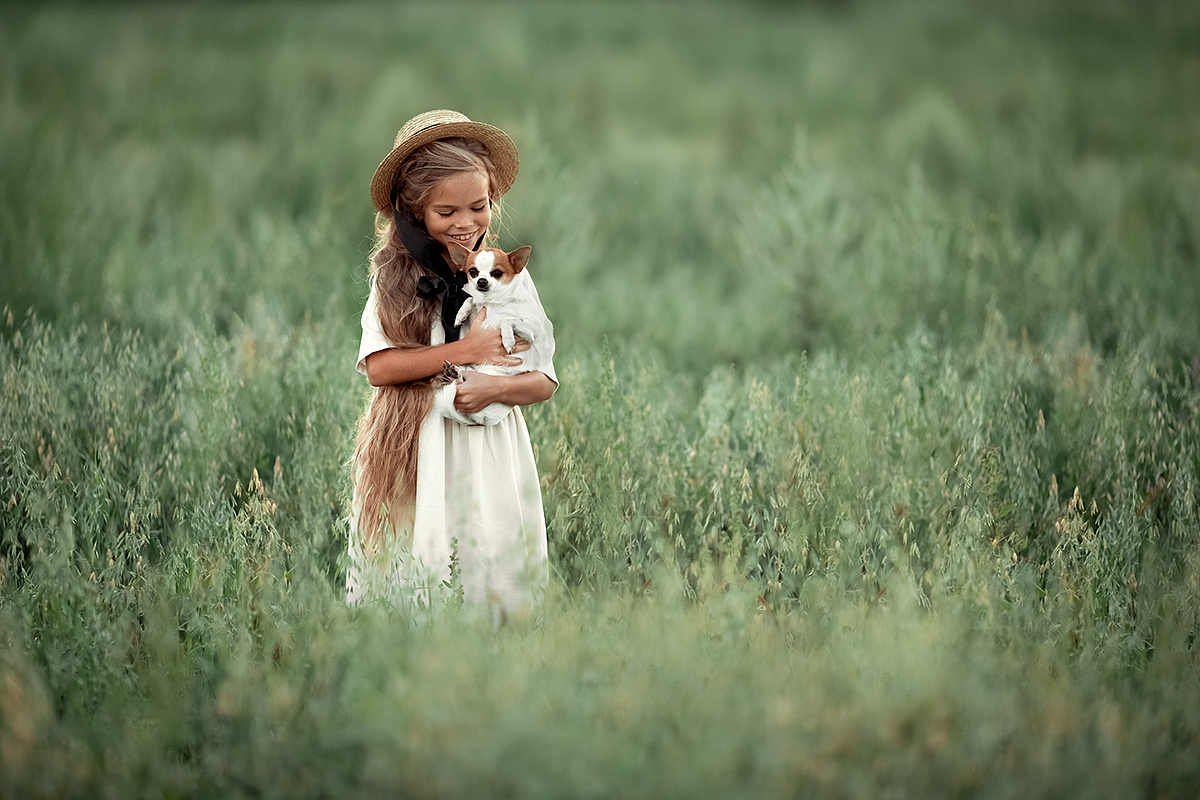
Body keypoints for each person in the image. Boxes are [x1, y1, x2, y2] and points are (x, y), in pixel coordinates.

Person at [347, 110, 557, 620]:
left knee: (490, 561)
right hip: (417, 444)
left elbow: (545, 379)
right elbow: (378, 369)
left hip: (490, 449)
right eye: (446, 213)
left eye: (479, 207)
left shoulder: (506, 278)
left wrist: (491, 390)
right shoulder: (393, 283)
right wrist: (463, 355)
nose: (466, 224)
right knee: (416, 566)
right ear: (414, 212)